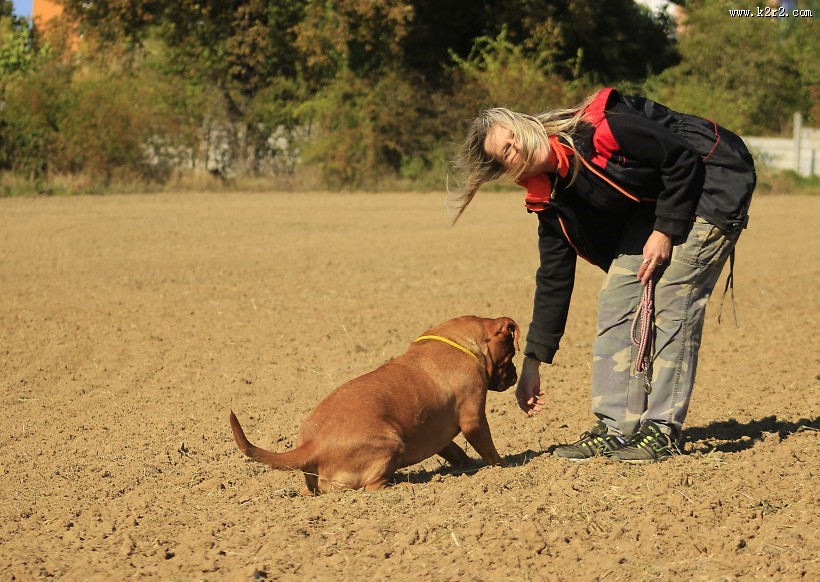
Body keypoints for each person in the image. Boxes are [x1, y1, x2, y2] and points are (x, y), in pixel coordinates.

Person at [449, 88, 756, 463]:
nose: (520, 147)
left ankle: (661, 429)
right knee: (617, 295)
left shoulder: (604, 130)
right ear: (506, 169)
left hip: (712, 177)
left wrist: (665, 230)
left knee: (676, 292)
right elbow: (554, 278)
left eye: (515, 134)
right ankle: (616, 427)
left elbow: (681, 158)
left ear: (527, 124)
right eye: (508, 152)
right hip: (663, 198)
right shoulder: (549, 196)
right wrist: (532, 361)